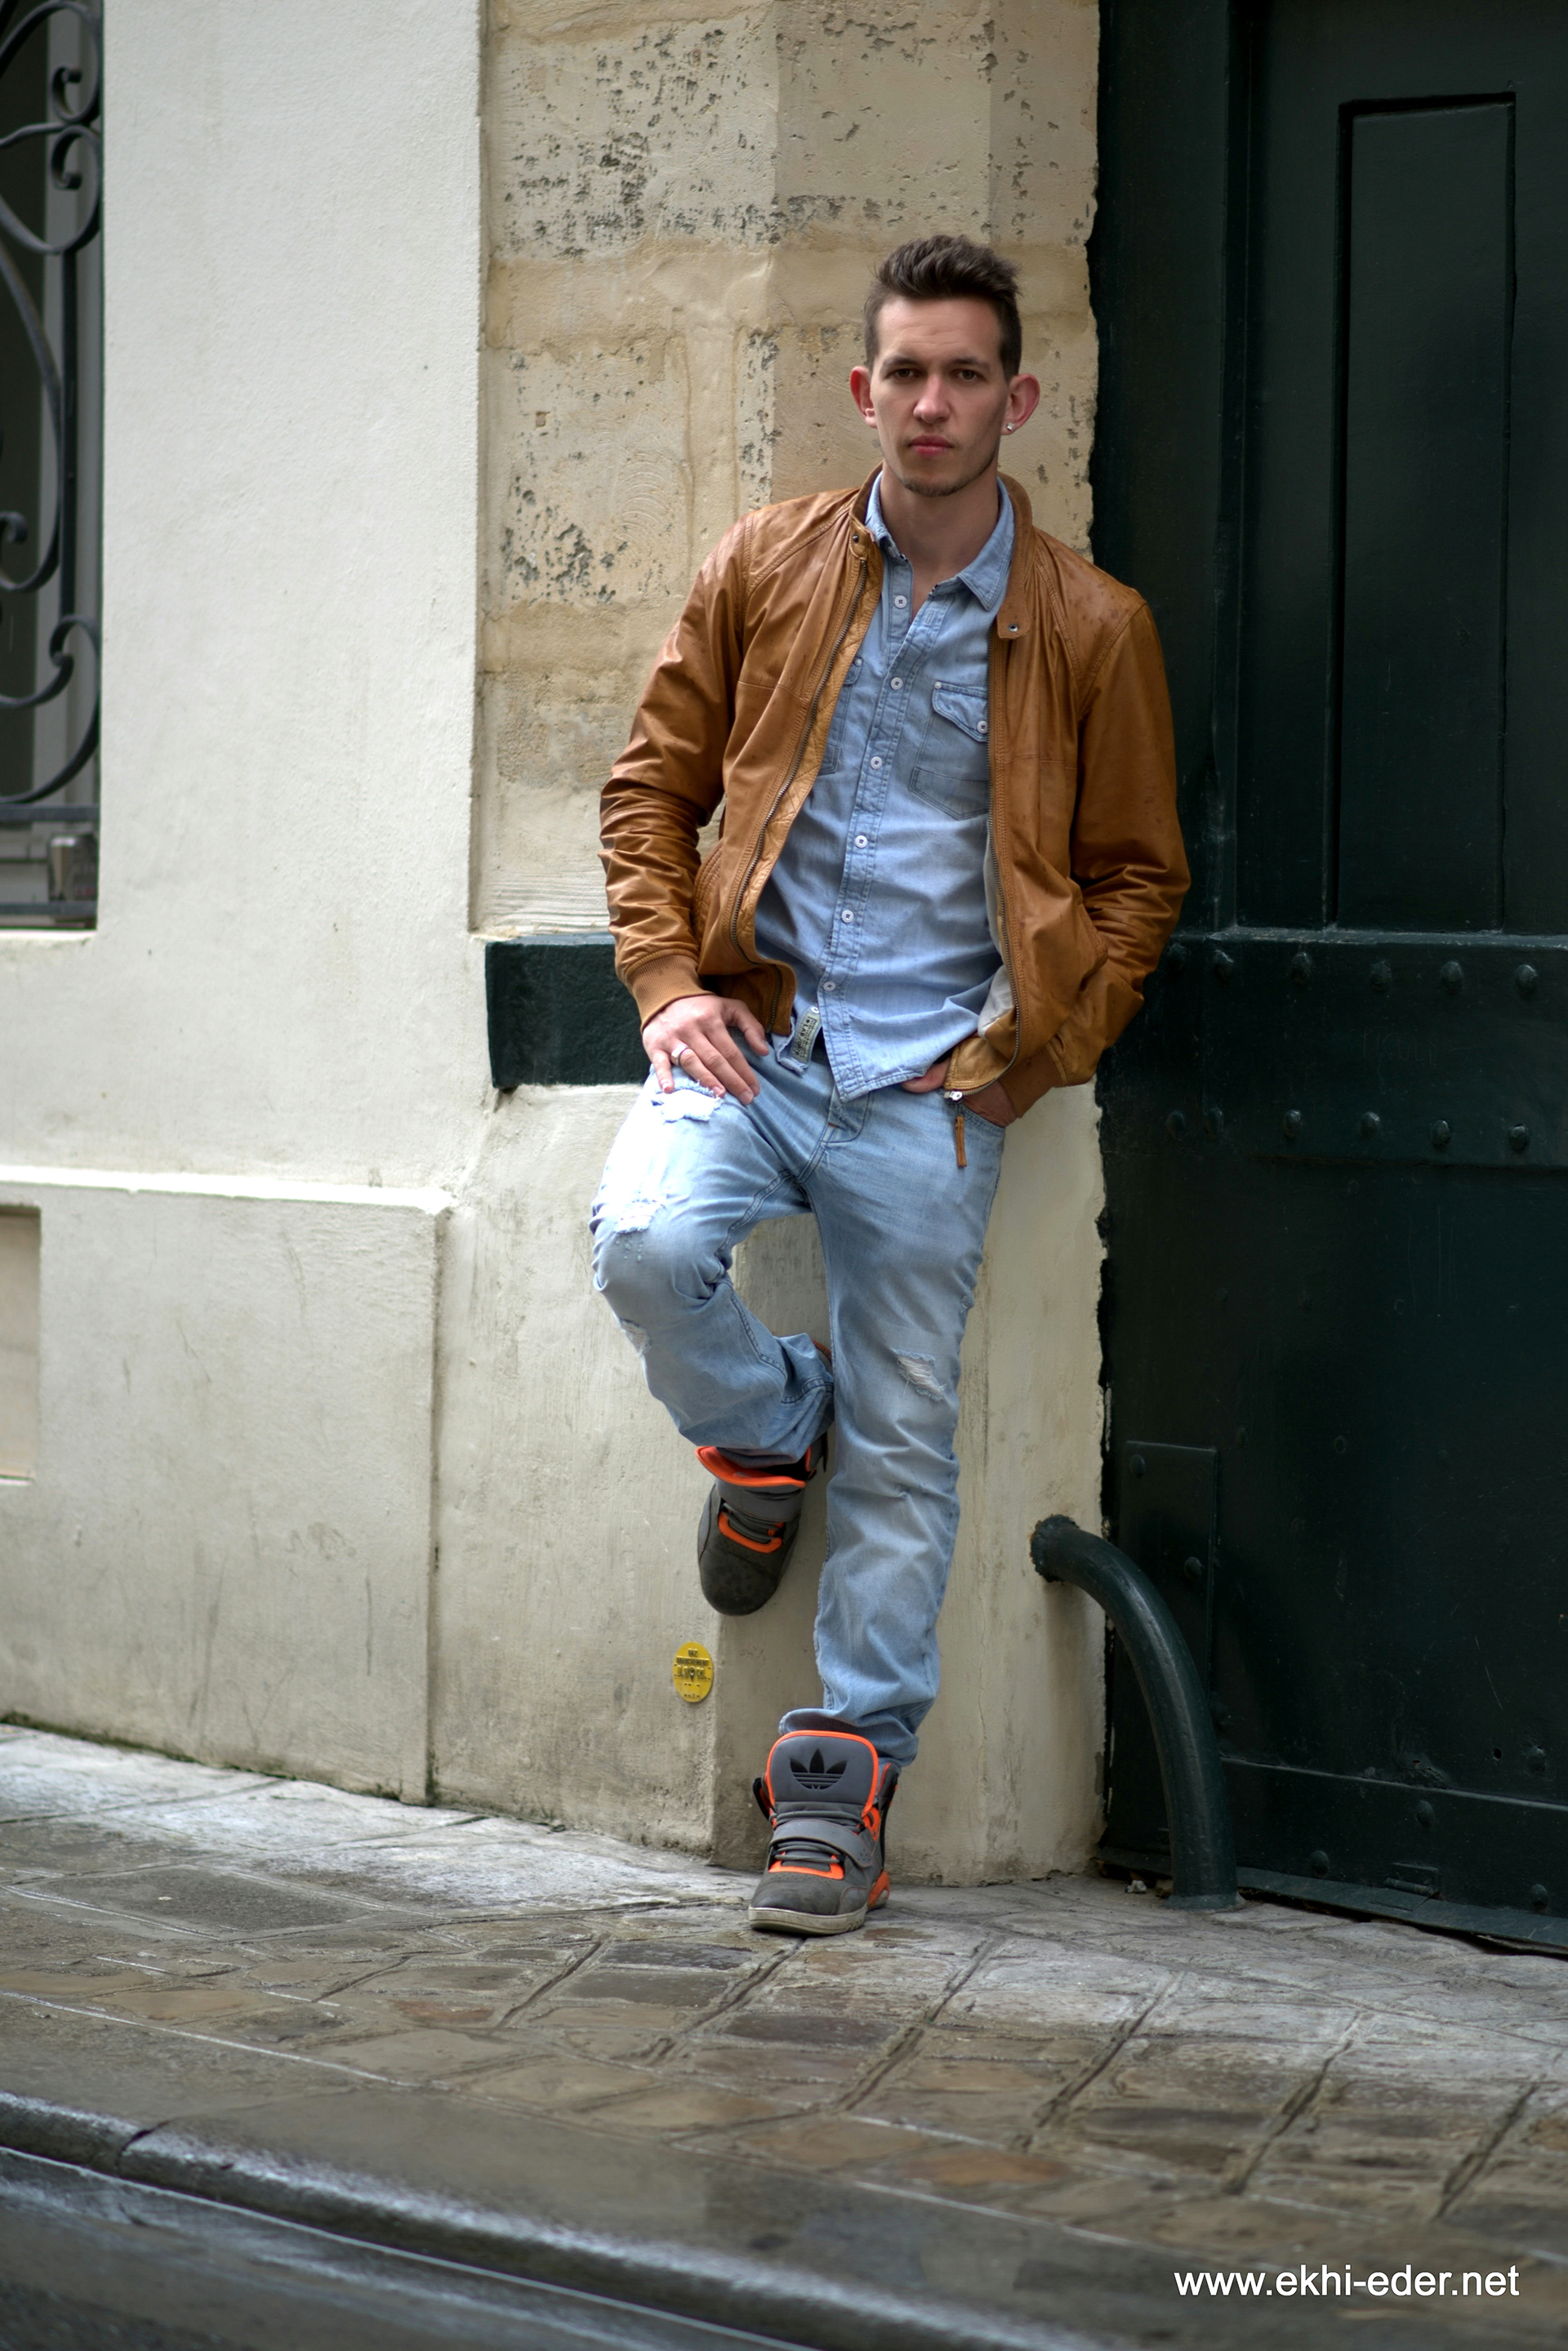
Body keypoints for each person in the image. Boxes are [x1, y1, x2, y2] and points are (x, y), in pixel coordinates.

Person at [591, 234, 1187, 1936]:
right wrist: (666, 984)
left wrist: (1021, 1066)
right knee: (642, 1245)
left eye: (964, 375)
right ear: (865, 391)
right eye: (905, 373)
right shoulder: (765, 566)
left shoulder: (1092, 625)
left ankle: (843, 1782)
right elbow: (651, 791)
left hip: (938, 1084)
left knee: (908, 1440)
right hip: (757, 1040)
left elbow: (1138, 880)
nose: (932, 404)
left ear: (1018, 397)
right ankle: (771, 1427)